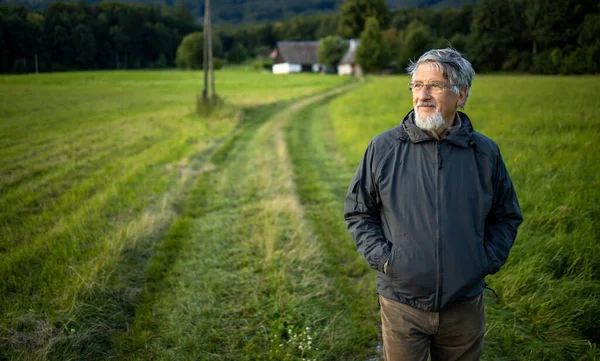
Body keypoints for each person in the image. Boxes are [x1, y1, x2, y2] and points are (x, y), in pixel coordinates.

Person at [343, 48, 523, 361]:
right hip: (401, 304)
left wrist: (484, 260)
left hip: (464, 306)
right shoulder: (383, 148)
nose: (423, 95)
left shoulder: (485, 153)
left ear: (462, 94)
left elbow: (506, 216)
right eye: (417, 85)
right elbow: (359, 212)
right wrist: (387, 261)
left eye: (436, 86)